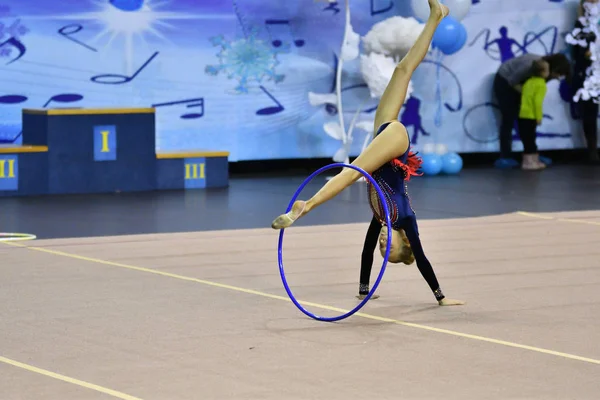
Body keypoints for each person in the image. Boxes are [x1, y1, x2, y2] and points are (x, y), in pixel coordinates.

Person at [271, 0, 464, 307]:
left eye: (383, 249)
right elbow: (423, 259)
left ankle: (437, 16)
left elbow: (364, 251)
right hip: (394, 142)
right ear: (404, 242)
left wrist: (363, 291)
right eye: (391, 248)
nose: (383, 244)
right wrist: (441, 297)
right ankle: (307, 206)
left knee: (402, 70)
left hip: (382, 139)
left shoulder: (381, 218)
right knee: (352, 172)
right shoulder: (405, 219)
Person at [493, 53, 571, 169]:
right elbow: (512, 81)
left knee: (527, 124)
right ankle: (506, 156)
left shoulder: (545, 74)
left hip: (522, 85)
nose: (557, 77)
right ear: (553, 68)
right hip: (505, 81)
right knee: (508, 118)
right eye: (558, 73)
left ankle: (531, 154)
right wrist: (528, 95)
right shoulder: (531, 66)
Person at [572, 0, 600, 164]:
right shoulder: (580, 26)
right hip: (589, 74)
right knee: (589, 112)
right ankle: (592, 150)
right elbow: (579, 53)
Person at [518, 60, 549, 170]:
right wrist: (539, 117)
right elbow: (537, 102)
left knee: (527, 139)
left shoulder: (528, 82)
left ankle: (531, 161)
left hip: (522, 114)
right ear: (542, 72)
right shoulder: (541, 84)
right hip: (531, 115)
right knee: (531, 139)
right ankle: (529, 163)